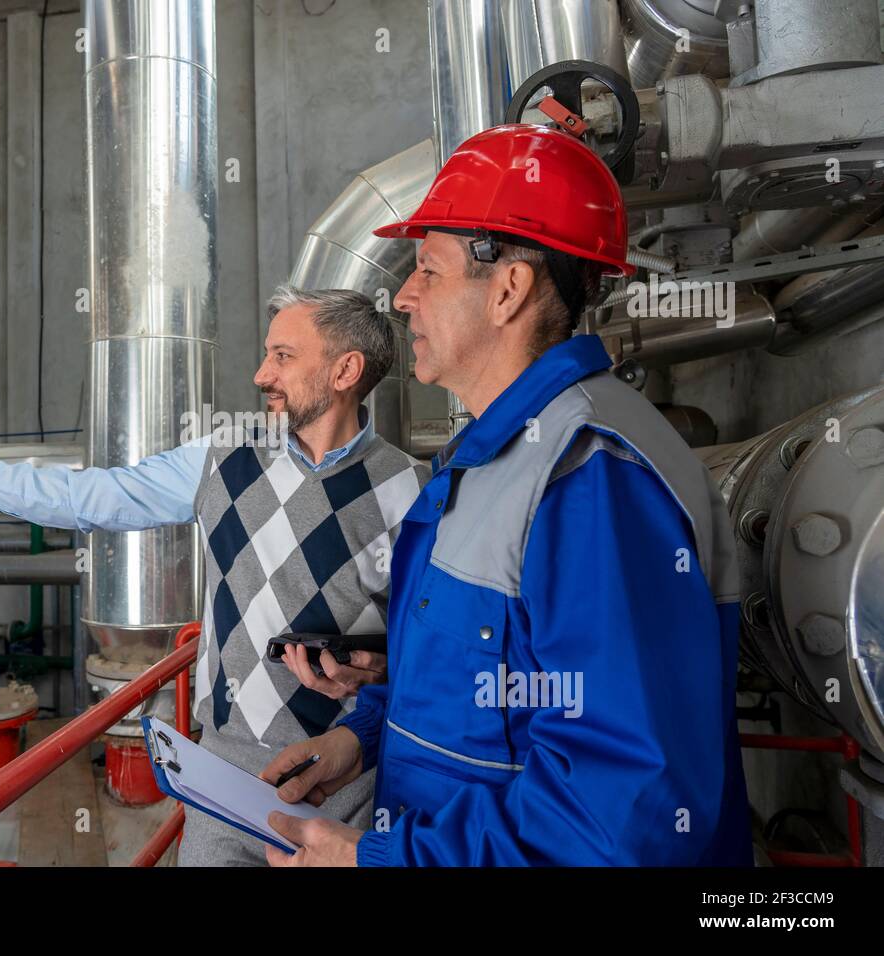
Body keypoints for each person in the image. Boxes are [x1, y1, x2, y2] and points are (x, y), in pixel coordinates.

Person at [258, 124, 751, 867]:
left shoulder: (591, 477)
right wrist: (359, 740)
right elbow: (501, 684)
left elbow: (619, 815)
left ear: (509, 290)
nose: (403, 296)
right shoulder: (487, 460)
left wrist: (381, 860)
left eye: (428, 269)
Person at [0, 286, 429, 866]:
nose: (261, 374)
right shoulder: (223, 457)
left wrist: (381, 666)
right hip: (224, 777)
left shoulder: (411, 490)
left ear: (346, 370)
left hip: (344, 780)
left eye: (283, 356)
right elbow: (91, 497)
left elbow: (431, 649)